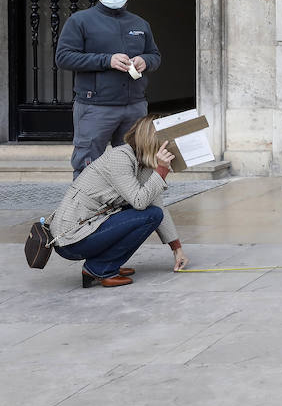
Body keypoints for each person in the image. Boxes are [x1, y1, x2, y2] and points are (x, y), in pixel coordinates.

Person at [49, 116, 188, 288]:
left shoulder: (141, 163)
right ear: (152, 142)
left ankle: (106, 264)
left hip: (90, 227)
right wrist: (161, 170)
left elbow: (157, 205)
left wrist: (177, 249)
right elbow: (139, 202)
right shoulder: (120, 158)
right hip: (71, 238)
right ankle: (100, 268)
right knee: (149, 215)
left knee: (153, 213)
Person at [55, 0, 162, 177]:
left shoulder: (140, 24)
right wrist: (107, 60)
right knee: (88, 165)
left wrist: (145, 61)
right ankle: (86, 209)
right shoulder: (80, 21)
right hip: (95, 107)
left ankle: (133, 207)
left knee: (138, 164)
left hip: (134, 106)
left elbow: (155, 56)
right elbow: (64, 57)